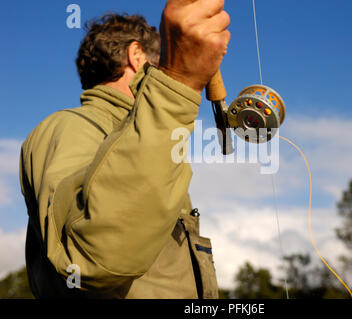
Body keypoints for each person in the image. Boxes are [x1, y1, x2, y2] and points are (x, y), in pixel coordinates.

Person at [19, 0, 231, 298]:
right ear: (136, 56)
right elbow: (92, 259)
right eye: (160, 64)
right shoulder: (68, 126)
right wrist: (177, 82)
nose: (164, 70)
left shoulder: (140, 136)